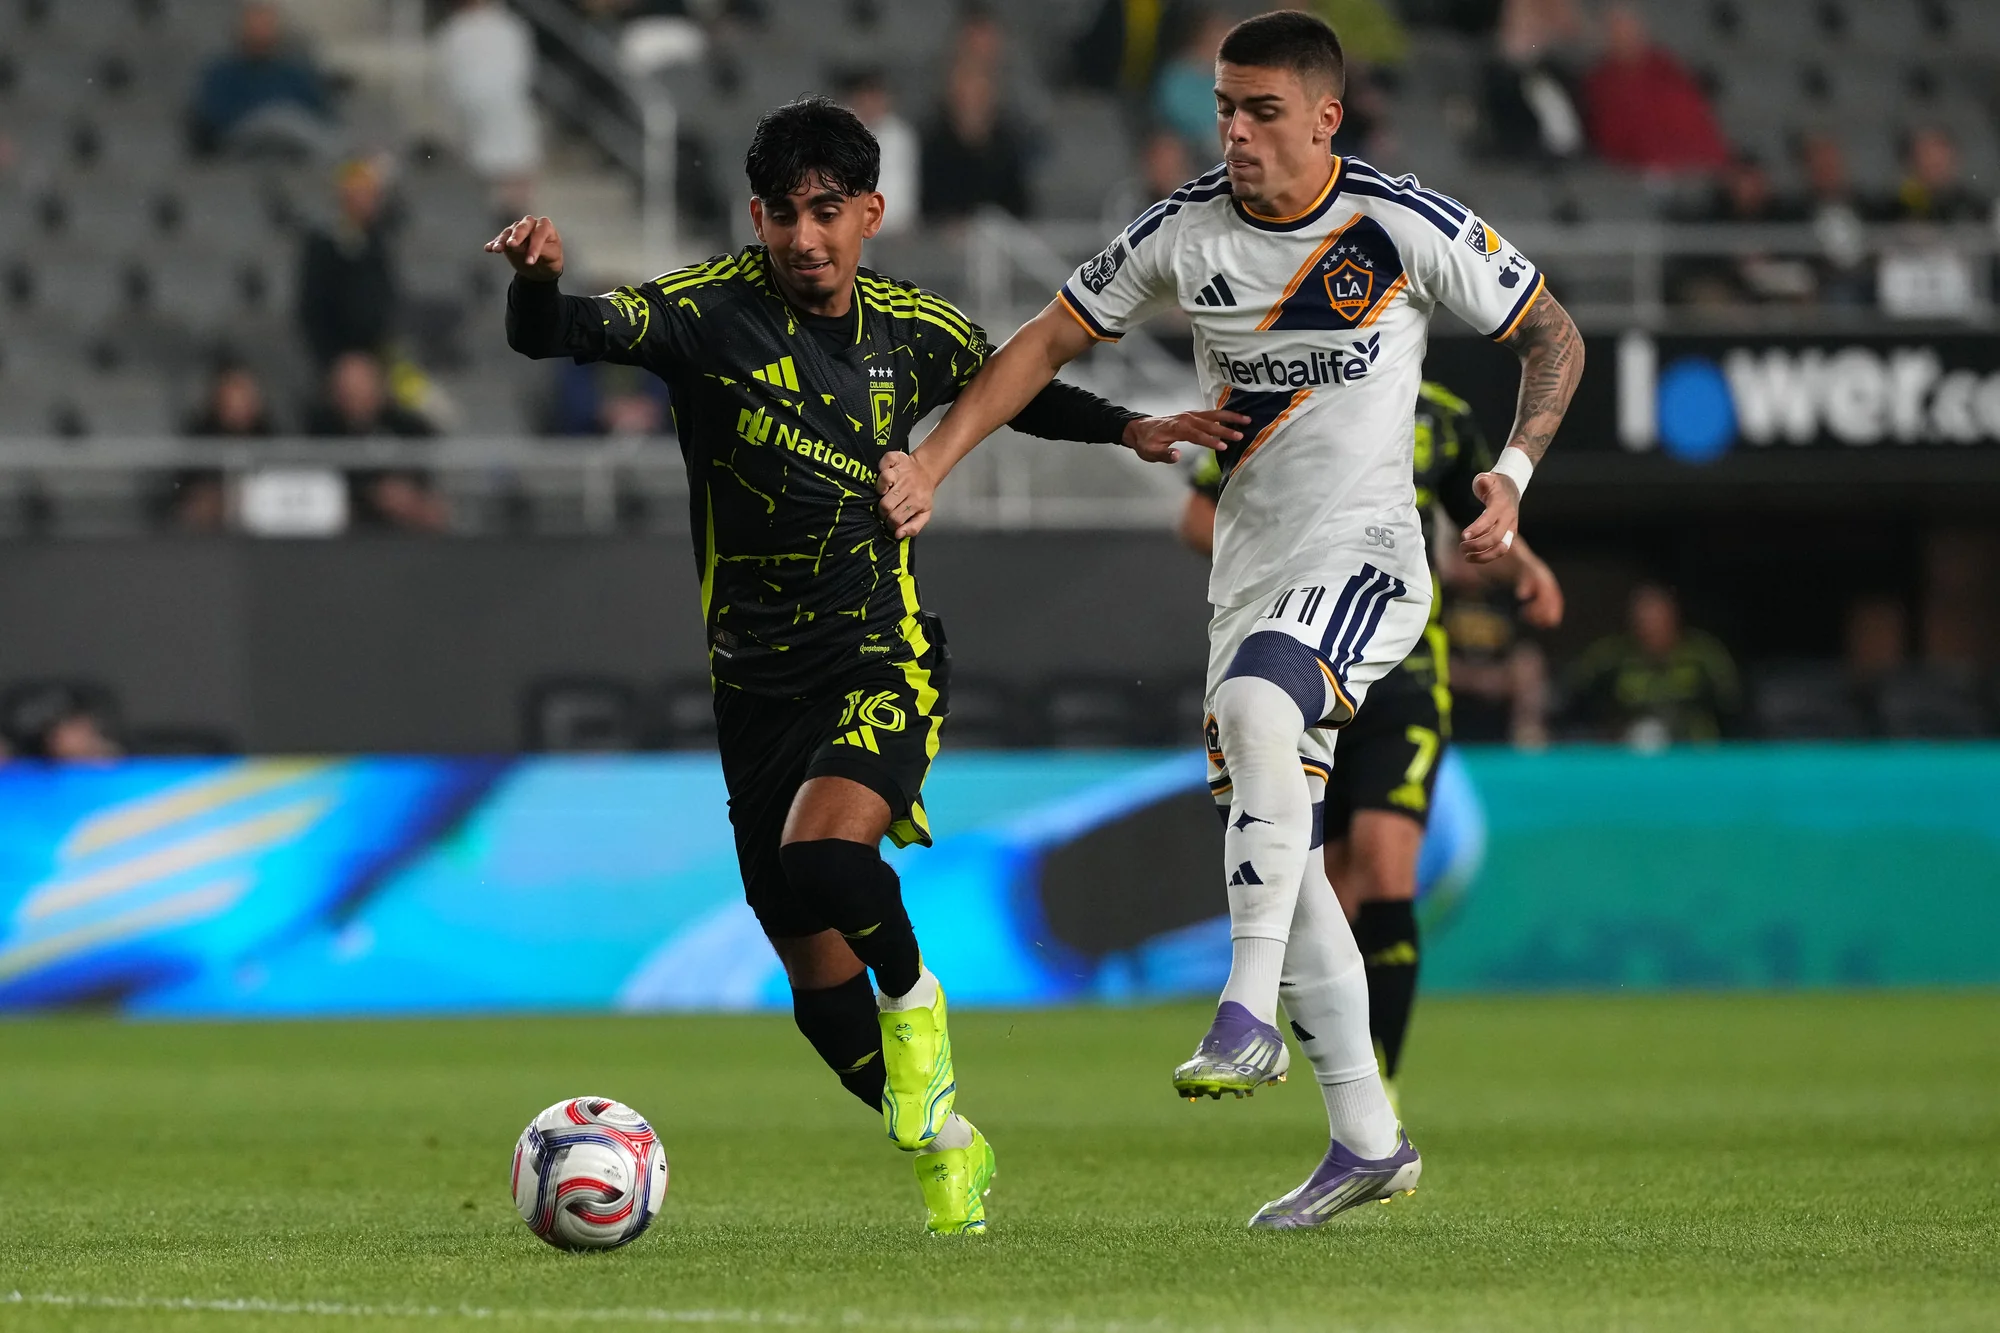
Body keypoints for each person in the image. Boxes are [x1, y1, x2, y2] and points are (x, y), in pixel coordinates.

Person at [881, 10, 1583, 1226]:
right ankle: (1366, 1139)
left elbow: (1550, 335)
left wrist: (1511, 477)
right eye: (1223, 109)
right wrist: (938, 459)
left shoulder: (1398, 222)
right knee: (1288, 852)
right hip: (1249, 577)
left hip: (1369, 558)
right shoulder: (1182, 230)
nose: (1237, 133)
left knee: (1265, 711)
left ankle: (1243, 1007)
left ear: (1325, 117)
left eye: (1262, 112)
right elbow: (1046, 339)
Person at [487, 96, 1236, 1235]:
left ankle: (918, 999)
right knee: (817, 999)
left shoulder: (910, 328)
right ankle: (944, 1138)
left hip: (878, 656)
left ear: (869, 213)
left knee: (827, 855)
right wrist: (538, 281)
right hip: (752, 688)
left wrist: (1128, 430)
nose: (803, 237)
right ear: (756, 215)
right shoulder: (703, 316)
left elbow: (1010, 385)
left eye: (826, 212)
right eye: (783, 213)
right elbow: (555, 335)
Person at [1179, 380, 1564, 1108]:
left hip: (1405, 673)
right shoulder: (1281, 390)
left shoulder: (1444, 418)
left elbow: (1479, 524)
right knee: (1325, 885)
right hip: (1302, 660)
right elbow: (1198, 517)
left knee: (1388, 869)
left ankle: (1379, 1087)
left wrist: (1529, 565)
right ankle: (1348, 1100)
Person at [1561, 582, 1740, 744]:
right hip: (1630, 753)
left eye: (1656, 618)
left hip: (1696, 754)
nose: (1649, 627)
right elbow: (1576, 702)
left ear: (1673, 617)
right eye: (1642, 619)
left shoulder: (1704, 656)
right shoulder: (1608, 659)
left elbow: (1733, 707)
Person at [305, 351, 449, 533]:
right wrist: (371, 493)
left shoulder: (407, 426)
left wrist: (408, 495)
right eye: (346, 387)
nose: (353, 393)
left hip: (405, 517)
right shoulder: (320, 430)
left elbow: (426, 474)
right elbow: (317, 483)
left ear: (379, 385)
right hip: (349, 520)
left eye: (361, 385)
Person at [1580, 4, 1727, 174]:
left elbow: (1693, 114)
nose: (1626, 37)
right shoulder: (1600, 81)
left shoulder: (1666, 67)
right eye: (1616, 31)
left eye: (1630, 29)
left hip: (1693, 160)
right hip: (1639, 168)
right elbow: (1611, 134)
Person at [431, 0, 543, 214]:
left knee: (516, 178)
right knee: (484, 184)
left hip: (508, 109)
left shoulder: (510, 27)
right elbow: (449, 81)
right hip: (474, 114)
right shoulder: (455, 32)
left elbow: (522, 71)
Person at [190, 1, 334, 158]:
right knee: (278, 119)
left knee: (293, 121)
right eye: (255, 25)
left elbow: (320, 110)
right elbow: (215, 117)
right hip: (242, 137)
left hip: (295, 138)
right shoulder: (221, 72)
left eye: (266, 25)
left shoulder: (294, 71)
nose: (261, 32)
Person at [298, 159, 399, 369]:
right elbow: (314, 307)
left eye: (370, 195)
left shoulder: (382, 242)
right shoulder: (324, 245)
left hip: (384, 356)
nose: (365, 202)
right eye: (358, 194)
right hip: (341, 357)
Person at [919, 52, 1032, 223]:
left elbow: (1020, 207)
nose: (971, 101)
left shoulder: (1008, 146)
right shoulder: (931, 146)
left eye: (979, 93)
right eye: (965, 92)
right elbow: (927, 207)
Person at [175, 359, 280, 531]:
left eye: (245, 393)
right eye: (232, 393)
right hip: (210, 536)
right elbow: (186, 495)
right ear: (217, 398)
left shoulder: (270, 436)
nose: (238, 402)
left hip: (264, 533)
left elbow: (283, 488)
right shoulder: (199, 440)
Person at [837, 69, 919, 236]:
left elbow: (905, 193)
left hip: (896, 232)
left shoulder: (901, 136)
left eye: (876, 96)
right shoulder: (839, 135)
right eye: (865, 96)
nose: (870, 103)